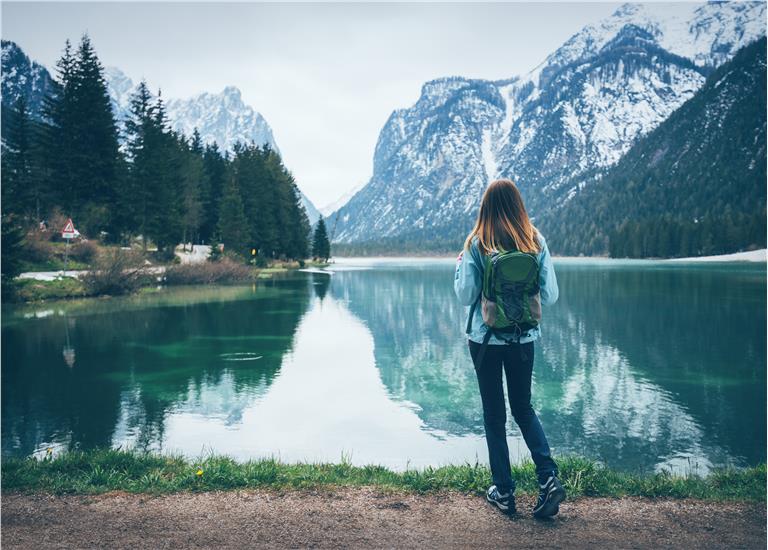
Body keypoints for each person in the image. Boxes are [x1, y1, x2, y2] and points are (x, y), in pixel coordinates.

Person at [454, 178, 565, 518]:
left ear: (485, 206)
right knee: (523, 408)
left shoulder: (477, 242)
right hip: (523, 339)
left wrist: (460, 264)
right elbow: (551, 296)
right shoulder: (535, 240)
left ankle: (504, 492)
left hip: (485, 341)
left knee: (494, 415)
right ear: (519, 206)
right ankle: (548, 479)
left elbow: (465, 296)